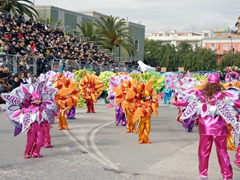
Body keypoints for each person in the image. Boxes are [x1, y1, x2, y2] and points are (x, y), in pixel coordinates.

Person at [173, 73, 240, 180]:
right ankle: (227, 175)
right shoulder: (224, 96)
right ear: (219, 84)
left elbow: (187, 102)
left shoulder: (200, 95)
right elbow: (237, 103)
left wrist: (176, 102)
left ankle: (203, 174)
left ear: (207, 83)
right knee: (222, 152)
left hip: (204, 127)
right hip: (219, 128)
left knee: (203, 151)